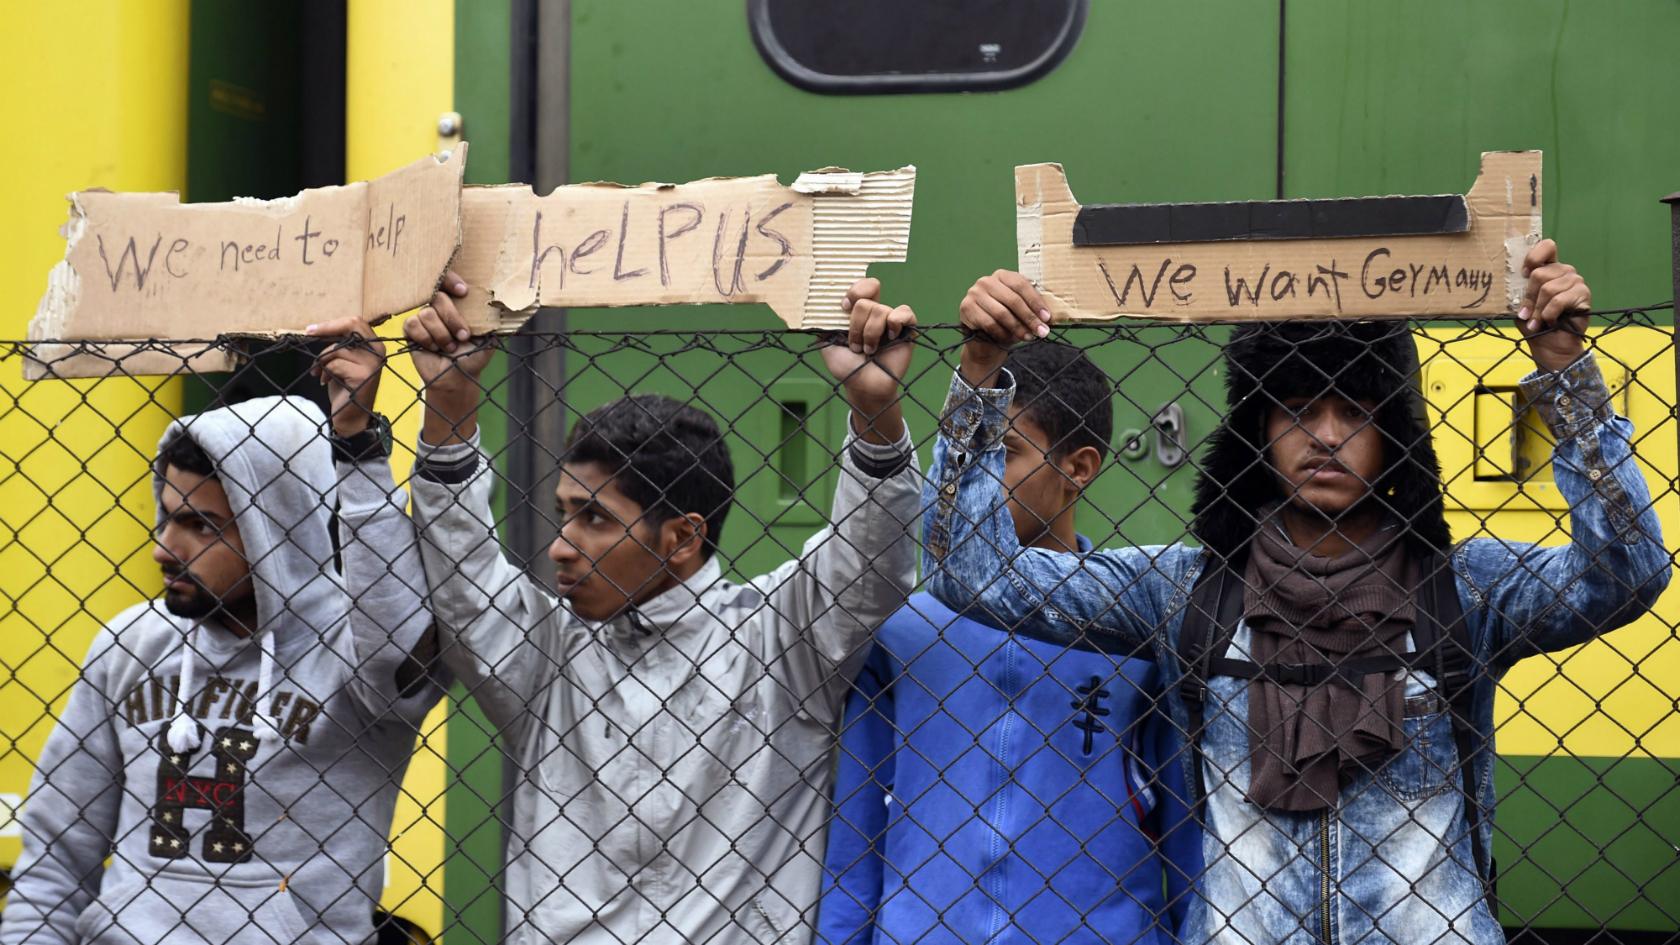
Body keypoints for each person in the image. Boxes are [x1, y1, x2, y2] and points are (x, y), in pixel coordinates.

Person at [920, 245, 1670, 944]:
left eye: (1356, 412)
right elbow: (973, 571)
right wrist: (982, 373)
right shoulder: (1188, 589)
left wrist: (1566, 373)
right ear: (1259, 430)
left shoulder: (1462, 587)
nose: (1327, 435)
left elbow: (1627, 573)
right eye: (1300, 410)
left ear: (1394, 434)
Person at [348, 274, 921, 944]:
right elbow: (462, 572)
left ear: (681, 535)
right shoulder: (548, 656)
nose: (561, 546)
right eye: (564, 513)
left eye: (593, 518)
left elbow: (869, 560)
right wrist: (449, 401)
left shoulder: (775, 640)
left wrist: (875, 414)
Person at [1, 330, 444, 945]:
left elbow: (399, 636)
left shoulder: (353, 652)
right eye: (166, 515)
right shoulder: (129, 645)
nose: (164, 548)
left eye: (199, 525)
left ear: (277, 533)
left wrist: (358, 444)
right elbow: (53, 863)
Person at [816, 341, 1199, 945]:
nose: (975, 479)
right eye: (968, 454)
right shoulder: (905, 627)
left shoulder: (1137, 630)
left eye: (1004, 454)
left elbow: (1184, 829)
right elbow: (856, 829)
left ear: (1079, 467)